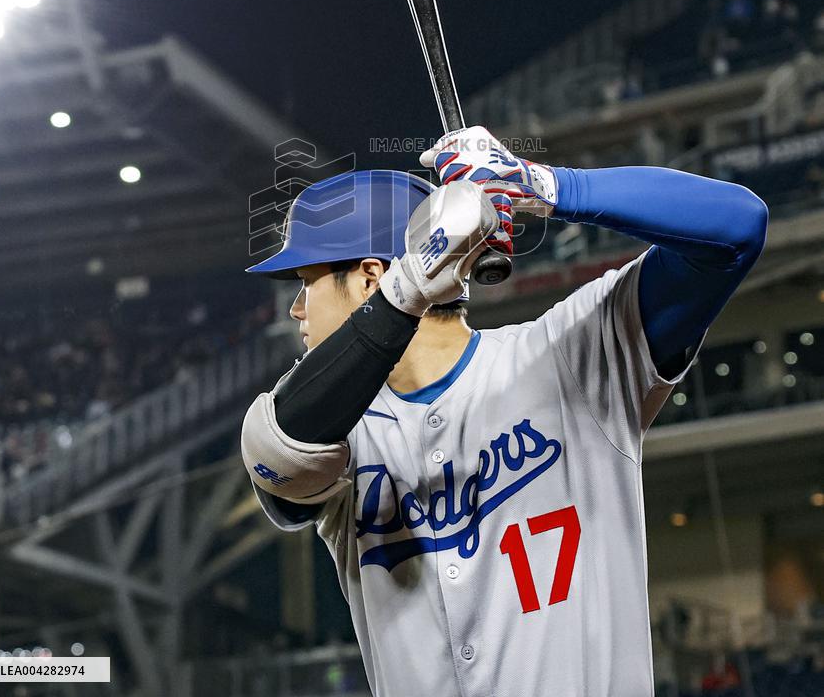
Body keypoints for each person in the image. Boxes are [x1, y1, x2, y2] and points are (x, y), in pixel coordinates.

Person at [241, 130, 768, 697]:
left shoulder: (569, 355)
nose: (296, 308)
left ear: (368, 274)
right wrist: (405, 292)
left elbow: (737, 227)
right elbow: (280, 454)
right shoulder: (338, 439)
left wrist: (541, 185)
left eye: (305, 282)